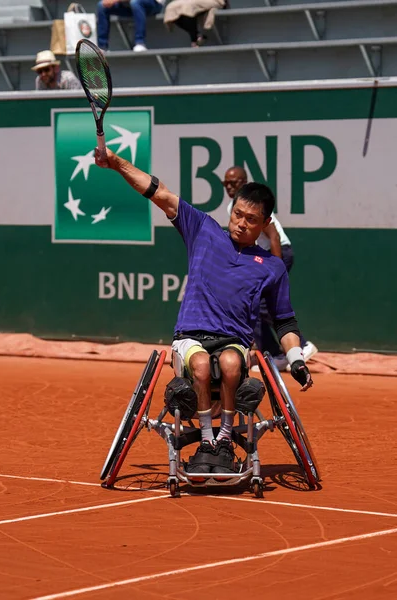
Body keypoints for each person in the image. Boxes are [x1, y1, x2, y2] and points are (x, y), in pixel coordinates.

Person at [95, 148, 313, 476]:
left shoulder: (272, 267)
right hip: (190, 338)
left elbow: (284, 321)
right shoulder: (203, 230)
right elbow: (159, 192)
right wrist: (116, 164)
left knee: (229, 363)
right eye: (238, 214)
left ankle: (224, 438)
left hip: (233, 344)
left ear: (266, 224)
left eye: (251, 219)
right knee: (199, 365)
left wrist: (295, 360)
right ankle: (207, 440)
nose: (241, 223)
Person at [223, 166, 319, 371]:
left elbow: (273, 236)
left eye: (235, 182)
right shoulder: (233, 206)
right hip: (264, 258)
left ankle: (301, 346)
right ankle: (276, 354)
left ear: (244, 183)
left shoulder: (254, 205)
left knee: (265, 304)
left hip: (278, 253)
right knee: (255, 307)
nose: (230, 186)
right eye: (227, 183)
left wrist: (275, 270)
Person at [96, 0, 164, 52]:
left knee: (135, 2)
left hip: (153, 4)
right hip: (128, 4)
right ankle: (102, 47)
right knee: (102, 5)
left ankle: (140, 42)